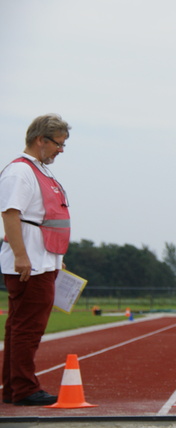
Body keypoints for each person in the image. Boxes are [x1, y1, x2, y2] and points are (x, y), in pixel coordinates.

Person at [1, 114, 71, 406]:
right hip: (30, 261)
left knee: (20, 325)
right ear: (40, 140)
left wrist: (57, 257)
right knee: (28, 327)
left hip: (43, 258)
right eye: (58, 143)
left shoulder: (39, 170)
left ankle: (13, 387)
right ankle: (25, 388)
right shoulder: (20, 172)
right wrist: (21, 255)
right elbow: (10, 213)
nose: (61, 150)